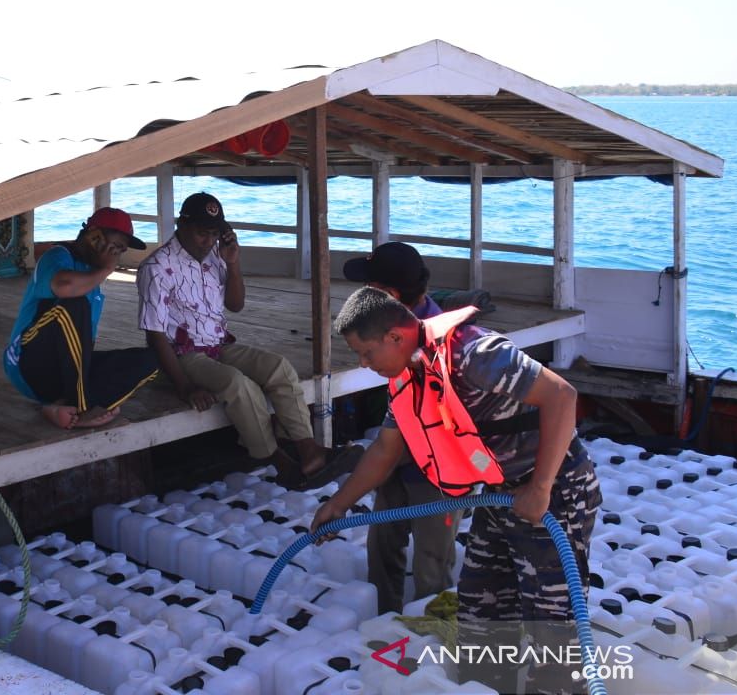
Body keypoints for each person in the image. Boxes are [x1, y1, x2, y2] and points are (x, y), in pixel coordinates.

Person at [314, 287, 601, 693]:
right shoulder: (410, 375)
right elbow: (385, 450)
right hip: (500, 495)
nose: (364, 364)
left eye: (367, 353)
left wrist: (540, 487)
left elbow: (562, 395)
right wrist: (337, 505)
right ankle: (485, 685)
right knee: (480, 603)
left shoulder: (475, 355)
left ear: (395, 337)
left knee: (552, 619)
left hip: (556, 490)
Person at [137, 192, 361, 490]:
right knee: (238, 384)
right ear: (181, 225)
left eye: (215, 234)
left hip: (218, 344)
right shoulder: (155, 267)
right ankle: (277, 460)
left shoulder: (216, 257)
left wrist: (233, 263)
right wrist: (184, 386)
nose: (208, 241)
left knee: (278, 367)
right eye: (202, 233)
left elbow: (236, 304)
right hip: (182, 354)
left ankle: (309, 450)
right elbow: (154, 334)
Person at [342, 242, 462, 614]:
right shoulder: (395, 325)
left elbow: (390, 446)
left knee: (431, 561)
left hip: (441, 469)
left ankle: (439, 642)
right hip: (402, 455)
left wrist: (339, 503)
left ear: (390, 295)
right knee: (382, 545)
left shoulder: (433, 346)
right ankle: (387, 620)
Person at [4, 207, 158, 429]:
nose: (116, 256)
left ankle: (61, 407)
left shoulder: (90, 272)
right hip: (29, 365)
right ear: (93, 236)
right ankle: (82, 406)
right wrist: (106, 269)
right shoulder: (57, 256)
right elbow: (64, 286)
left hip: (66, 374)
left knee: (150, 359)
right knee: (74, 304)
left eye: (120, 251)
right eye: (114, 247)